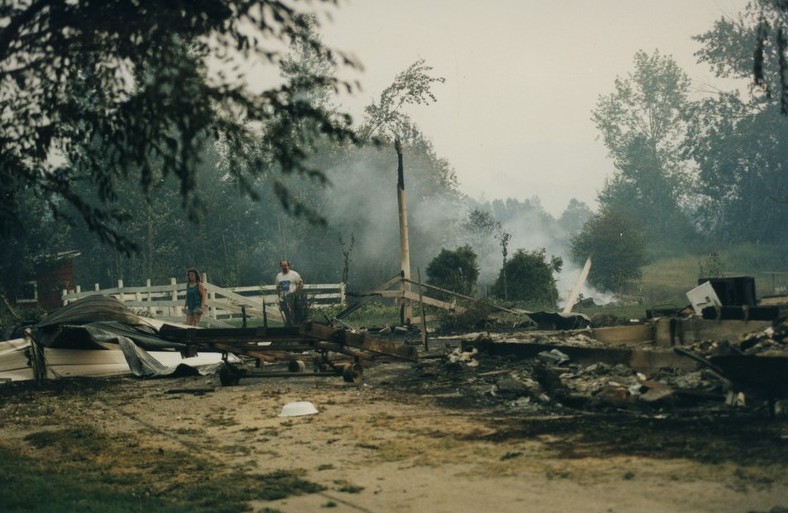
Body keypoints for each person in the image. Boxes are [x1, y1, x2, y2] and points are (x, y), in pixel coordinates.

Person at [275, 260, 304, 325]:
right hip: (283, 297)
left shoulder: (294, 274)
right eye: (282, 266)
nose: (284, 267)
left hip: (292, 297)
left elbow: (301, 284)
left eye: (285, 265)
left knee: (293, 311)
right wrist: (279, 297)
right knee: (285, 311)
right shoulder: (279, 276)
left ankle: (295, 324)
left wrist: (296, 293)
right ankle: (289, 325)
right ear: (280, 267)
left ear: (288, 266)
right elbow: (277, 287)